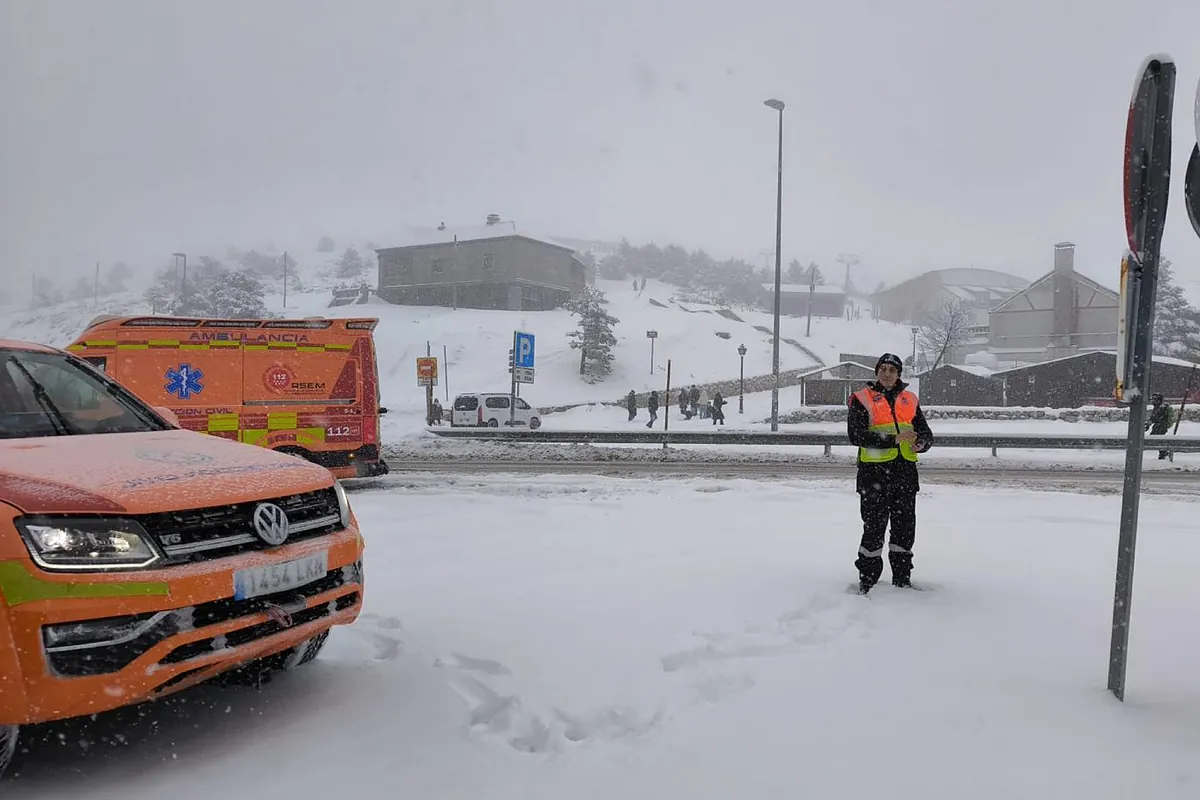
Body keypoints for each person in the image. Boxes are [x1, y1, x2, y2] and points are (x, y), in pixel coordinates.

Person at [847, 353, 934, 594]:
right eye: (883, 369)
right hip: (873, 476)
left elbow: (925, 433)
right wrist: (894, 439)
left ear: (899, 374)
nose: (887, 374)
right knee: (874, 529)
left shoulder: (910, 399)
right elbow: (857, 435)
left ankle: (902, 579)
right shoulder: (861, 399)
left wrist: (922, 443)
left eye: (892, 370)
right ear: (876, 372)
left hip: (905, 474)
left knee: (904, 529)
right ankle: (868, 580)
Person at [1146, 393, 1173, 460]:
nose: (1152, 401)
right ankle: (1163, 452)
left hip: (1161, 426)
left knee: (1156, 439)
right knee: (1156, 439)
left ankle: (1164, 452)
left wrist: (1150, 422)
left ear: (1158, 400)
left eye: (1154, 399)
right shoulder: (1157, 407)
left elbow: (1156, 417)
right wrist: (1149, 423)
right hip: (1158, 426)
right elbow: (1153, 417)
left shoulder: (1161, 407)